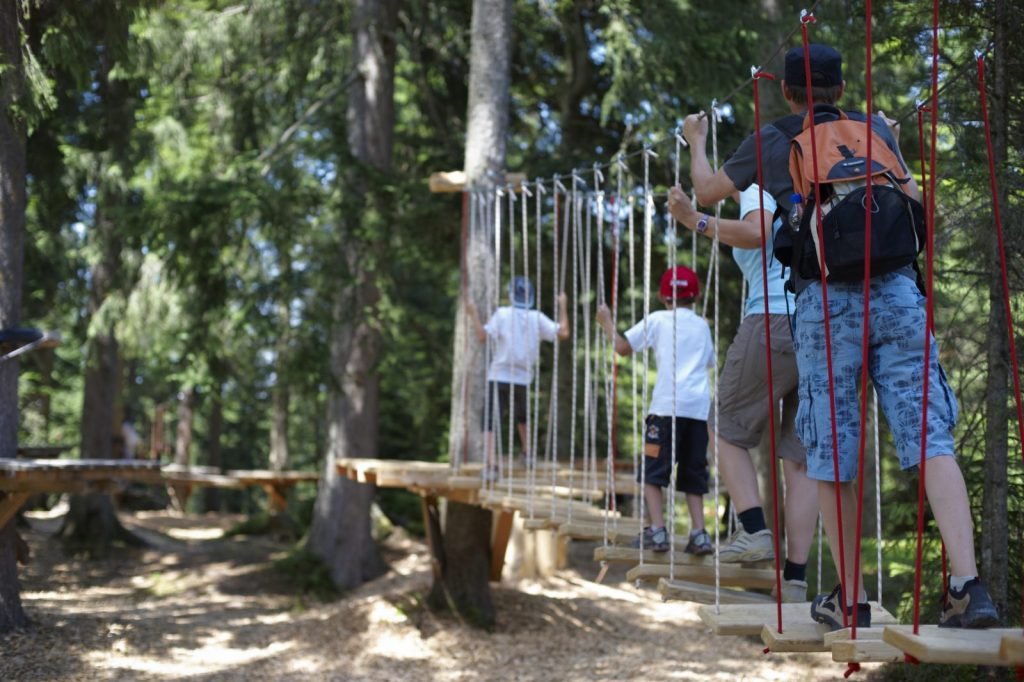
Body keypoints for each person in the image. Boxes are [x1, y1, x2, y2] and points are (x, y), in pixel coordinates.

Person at [682, 44, 998, 629]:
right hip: (900, 293)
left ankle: (848, 600)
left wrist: (696, 143)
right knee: (930, 436)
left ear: (785, 92)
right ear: (843, 86)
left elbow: (705, 194)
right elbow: (913, 203)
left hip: (828, 304)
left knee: (832, 448)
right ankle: (968, 587)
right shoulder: (873, 129)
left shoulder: (771, 139)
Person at [667, 184, 818, 601]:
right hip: (821, 323)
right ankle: (795, 579)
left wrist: (693, 213)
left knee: (724, 429)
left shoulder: (756, 188)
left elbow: (749, 228)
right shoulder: (807, 187)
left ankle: (753, 530)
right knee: (799, 459)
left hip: (771, 320)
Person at [596, 266, 714, 555]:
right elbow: (709, 362)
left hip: (664, 409)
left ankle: (658, 531)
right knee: (694, 473)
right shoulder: (702, 325)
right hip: (697, 412)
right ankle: (699, 533)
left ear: (664, 297)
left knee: (653, 472)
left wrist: (607, 323)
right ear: (695, 297)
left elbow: (623, 348)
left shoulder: (659, 319)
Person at [467, 276, 569, 480]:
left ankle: (491, 465)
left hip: (499, 375)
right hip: (523, 377)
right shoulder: (536, 317)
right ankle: (528, 453)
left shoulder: (503, 314)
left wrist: (473, 314)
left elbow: (481, 336)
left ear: (511, 295)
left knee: (490, 421)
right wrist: (563, 306)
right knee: (522, 417)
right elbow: (563, 333)